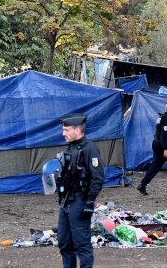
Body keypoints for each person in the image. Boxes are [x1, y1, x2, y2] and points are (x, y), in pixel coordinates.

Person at [56, 114, 104, 268]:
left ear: (77, 130)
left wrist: (89, 202)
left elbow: (97, 178)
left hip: (80, 201)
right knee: (64, 242)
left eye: (66, 130)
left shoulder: (90, 149)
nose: (63, 133)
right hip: (66, 202)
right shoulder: (69, 148)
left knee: (81, 244)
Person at [136, 103, 167, 195]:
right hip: (164, 145)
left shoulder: (162, 118)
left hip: (157, 144)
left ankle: (142, 185)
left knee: (155, 166)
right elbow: (164, 135)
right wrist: (166, 149)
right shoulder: (166, 120)